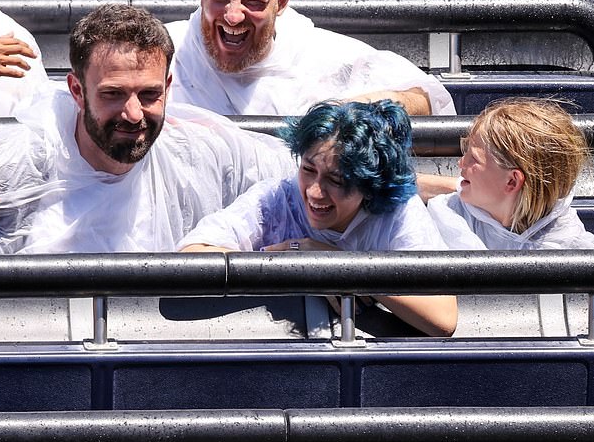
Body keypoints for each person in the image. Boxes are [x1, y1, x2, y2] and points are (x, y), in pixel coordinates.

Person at [0, 4, 293, 342]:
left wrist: (313, 248)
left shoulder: (199, 145)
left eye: (149, 94)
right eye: (114, 94)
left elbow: (304, 177)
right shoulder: (20, 157)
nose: (133, 113)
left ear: (169, 88)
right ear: (77, 90)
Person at [179, 100, 458, 337]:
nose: (314, 192)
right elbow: (193, 257)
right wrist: (297, 257)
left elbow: (443, 319)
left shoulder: (398, 212)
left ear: (368, 183)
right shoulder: (276, 198)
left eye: (337, 180)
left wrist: (341, 267)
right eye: (308, 169)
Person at [166, 0, 455, 117]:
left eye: (253, 1)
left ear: (281, 1)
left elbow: (429, 102)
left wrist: (358, 109)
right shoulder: (164, 52)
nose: (233, 15)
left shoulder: (319, 55)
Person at [427, 98, 594, 250]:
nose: (461, 163)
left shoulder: (573, 252)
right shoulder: (451, 211)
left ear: (512, 181)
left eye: (474, 158)